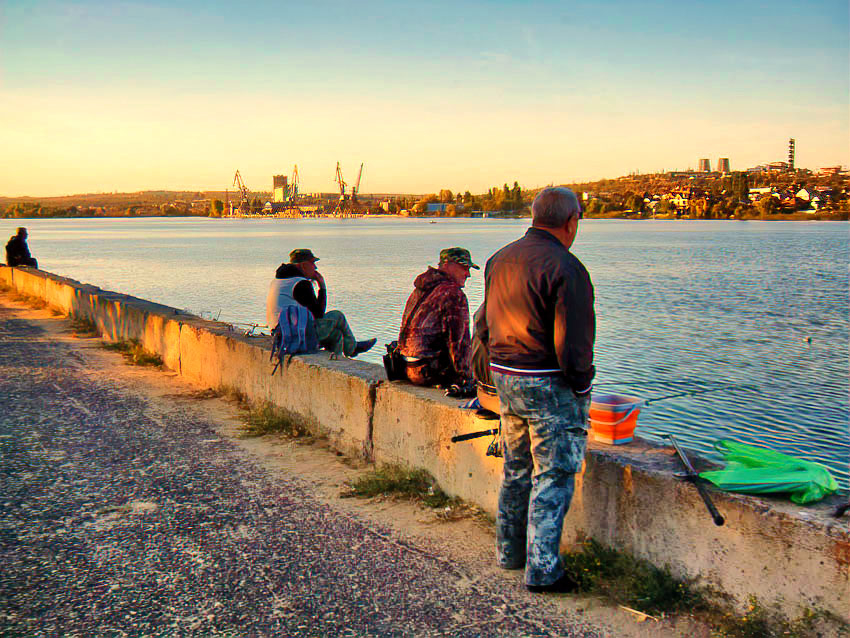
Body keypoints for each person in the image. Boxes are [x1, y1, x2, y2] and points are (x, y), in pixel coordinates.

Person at [478, 186, 595, 593]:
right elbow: (574, 343)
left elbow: (482, 324)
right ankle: (544, 570)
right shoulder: (567, 267)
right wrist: (581, 385)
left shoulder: (500, 259)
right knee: (555, 473)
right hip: (548, 383)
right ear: (571, 221)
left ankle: (509, 553)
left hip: (505, 377)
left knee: (516, 468)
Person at [265, 249, 375, 358]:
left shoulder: (280, 280)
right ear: (303, 265)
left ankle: (336, 362)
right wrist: (322, 286)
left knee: (336, 335)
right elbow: (318, 314)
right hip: (294, 335)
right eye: (312, 263)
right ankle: (352, 349)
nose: (315, 268)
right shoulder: (300, 283)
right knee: (338, 316)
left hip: (281, 333)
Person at [396, 247, 477, 388]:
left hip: (406, 367)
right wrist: (467, 379)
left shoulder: (420, 290)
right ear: (447, 265)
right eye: (464, 267)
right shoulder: (452, 293)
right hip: (430, 372)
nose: (468, 274)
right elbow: (459, 343)